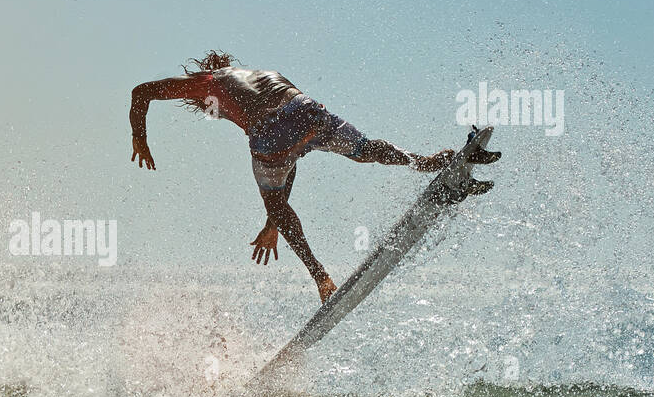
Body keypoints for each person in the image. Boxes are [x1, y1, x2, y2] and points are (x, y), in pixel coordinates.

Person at [128, 51, 499, 302]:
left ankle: (322, 279)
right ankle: (434, 163)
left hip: (270, 131)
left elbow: (140, 91)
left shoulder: (207, 81)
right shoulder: (262, 74)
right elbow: (293, 153)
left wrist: (139, 138)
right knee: (367, 150)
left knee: (274, 199)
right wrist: (274, 215)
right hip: (305, 111)